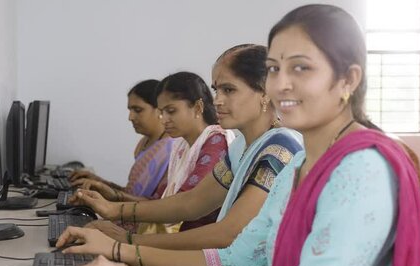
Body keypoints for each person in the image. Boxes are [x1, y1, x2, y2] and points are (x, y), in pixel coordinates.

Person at [59, 4, 420, 266]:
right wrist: (122, 256)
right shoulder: (297, 165)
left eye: (301, 68)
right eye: (275, 69)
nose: (280, 85)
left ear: (348, 80)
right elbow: (238, 262)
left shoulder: (361, 169)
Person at [72, 45, 302, 250]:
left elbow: (227, 234)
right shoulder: (241, 146)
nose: (217, 100)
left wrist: (130, 241)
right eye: (216, 90)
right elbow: (191, 203)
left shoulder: (280, 148)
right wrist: (114, 210)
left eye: (228, 90)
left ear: (265, 92)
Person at [73, 71, 234, 234]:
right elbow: (160, 201)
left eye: (171, 111)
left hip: (192, 244)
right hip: (173, 234)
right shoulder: (181, 148)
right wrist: (113, 196)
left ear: (198, 107)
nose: (163, 119)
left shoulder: (216, 143)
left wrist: (114, 208)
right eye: (162, 112)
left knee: (94, 233)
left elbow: (183, 205)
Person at [69, 80, 174, 202]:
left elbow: (160, 205)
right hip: (130, 214)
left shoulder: (172, 150)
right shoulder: (143, 143)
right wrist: (98, 182)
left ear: (159, 110)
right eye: (130, 110)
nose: (130, 117)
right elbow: (131, 192)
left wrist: (110, 194)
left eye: (138, 110)